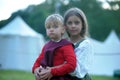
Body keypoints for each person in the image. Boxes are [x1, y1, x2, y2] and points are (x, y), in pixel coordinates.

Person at [32, 14, 76, 80]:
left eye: (55, 27)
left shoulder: (66, 45)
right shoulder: (46, 46)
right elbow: (38, 61)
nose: (51, 29)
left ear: (63, 29)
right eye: (48, 27)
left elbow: (71, 65)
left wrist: (52, 71)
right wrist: (36, 69)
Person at [64, 7, 93, 80]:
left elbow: (79, 71)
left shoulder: (85, 44)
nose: (73, 26)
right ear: (65, 26)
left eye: (77, 22)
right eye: (69, 23)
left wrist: (60, 65)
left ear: (82, 24)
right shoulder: (62, 43)